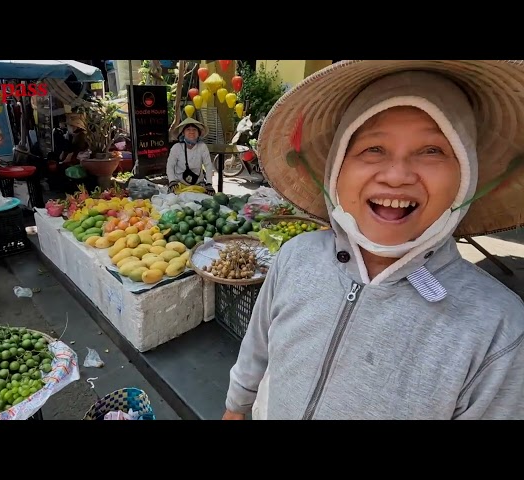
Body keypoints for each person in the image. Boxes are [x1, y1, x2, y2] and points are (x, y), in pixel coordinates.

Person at [223, 60, 524, 420]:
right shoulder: (295, 257)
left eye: (432, 150)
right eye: (373, 149)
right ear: (337, 168)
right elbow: (257, 352)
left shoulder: (498, 330)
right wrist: (237, 406)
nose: (396, 176)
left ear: (466, 175)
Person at [166, 118, 215, 195]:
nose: (191, 132)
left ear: (198, 133)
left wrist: (209, 183)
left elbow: (208, 165)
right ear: (183, 133)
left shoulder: (202, 147)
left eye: (194, 129)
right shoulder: (176, 147)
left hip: (198, 184)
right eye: (188, 129)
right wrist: (172, 181)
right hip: (179, 185)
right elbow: (170, 166)